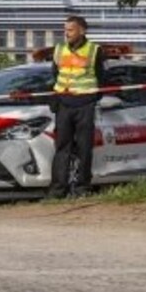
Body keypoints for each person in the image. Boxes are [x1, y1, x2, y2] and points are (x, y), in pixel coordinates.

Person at [47, 15, 106, 199]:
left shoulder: (94, 50)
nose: (66, 33)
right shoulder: (59, 50)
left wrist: (93, 98)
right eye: (65, 30)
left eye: (70, 30)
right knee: (61, 148)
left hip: (85, 105)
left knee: (84, 148)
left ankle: (82, 189)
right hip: (64, 104)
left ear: (82, 30)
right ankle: (58, 190)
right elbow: (55, 75)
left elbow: (102, 78)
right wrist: (56, 98)